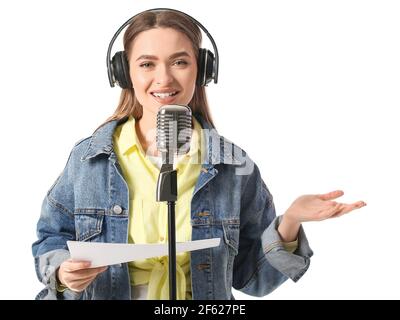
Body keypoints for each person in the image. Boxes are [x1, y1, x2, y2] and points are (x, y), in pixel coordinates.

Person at [32, 8, 366, 300]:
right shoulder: (89, 159)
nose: (163, 78)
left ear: (203, 70)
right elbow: (51, 238)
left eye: (180, 61)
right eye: (147, 63)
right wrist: (63, 274)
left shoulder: (234, 166)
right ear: (123, 73)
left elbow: (254, 280)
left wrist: (290, 222)